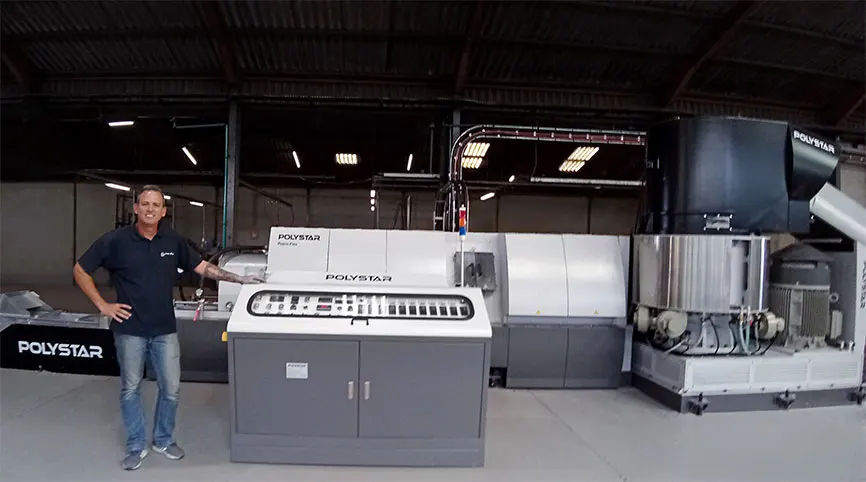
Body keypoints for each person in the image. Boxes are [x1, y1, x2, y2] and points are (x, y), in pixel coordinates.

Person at [73, 185, 263, 471]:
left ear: (163, 211)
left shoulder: (172, 240)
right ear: (135, 208)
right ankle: (136, 445)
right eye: (145, 204)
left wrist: (240, 279)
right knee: (130, 388)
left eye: (156, 205)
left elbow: (203, 267)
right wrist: (103, 305)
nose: (150, 209)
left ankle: (163, 440)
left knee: (171, 388)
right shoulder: (115, 241)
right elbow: (80, 269)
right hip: (129, 329)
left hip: (164, 330)